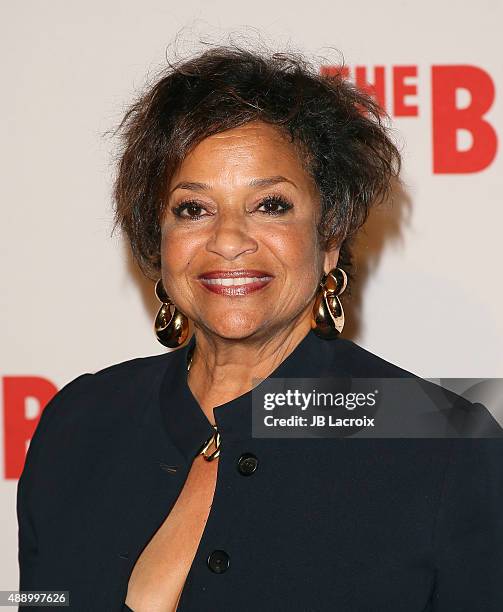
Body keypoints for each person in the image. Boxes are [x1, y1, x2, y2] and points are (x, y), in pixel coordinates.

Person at [17, 44, 503, 612]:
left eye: (270, 205)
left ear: (329, 238)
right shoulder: (80, 423)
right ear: (158, 240)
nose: (227, 240)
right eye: (192, 209)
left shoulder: (446, 444)